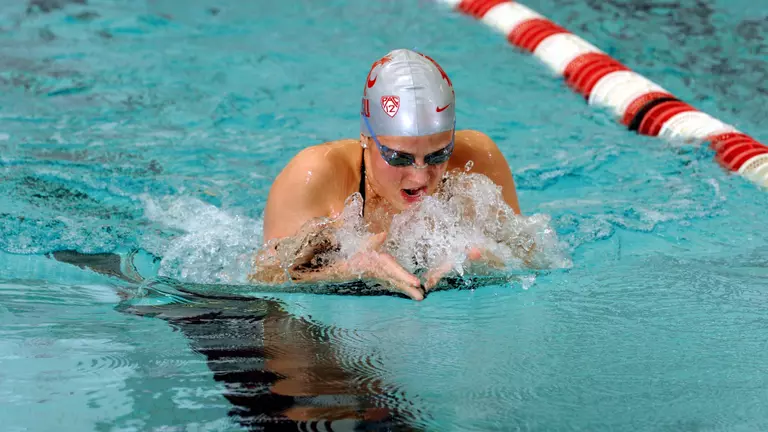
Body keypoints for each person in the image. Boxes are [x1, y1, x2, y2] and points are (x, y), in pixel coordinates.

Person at [249, 49, 522, 300]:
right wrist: (349, 271)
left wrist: (488, 261)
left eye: (438, 155)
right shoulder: (314, 174)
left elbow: (533, 256)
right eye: (398, 157)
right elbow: (264, 279)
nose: (419, 178)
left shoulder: (478, 159)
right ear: (366, 137)